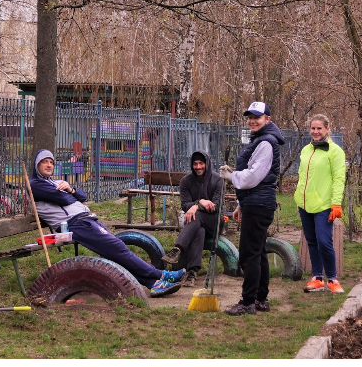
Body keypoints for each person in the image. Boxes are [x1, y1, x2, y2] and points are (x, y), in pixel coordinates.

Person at [29, 150, 184, 297]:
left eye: (51, 162)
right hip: (75, 224)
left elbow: (82, 196)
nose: (49, 165)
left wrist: (71, 189)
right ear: (37, 165)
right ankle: (161, 275)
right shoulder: (35, 185)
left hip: (87, 220)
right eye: (44, 162)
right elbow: (63, 199)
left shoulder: (55, 182)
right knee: (119, 249)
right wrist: (69, 192)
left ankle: (153, 284)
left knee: (115, 252)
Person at [219, 101, 285, 316]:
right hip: (254, 203)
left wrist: (231, 176)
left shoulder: (266, 142)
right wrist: (240, 204)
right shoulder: (260, 140)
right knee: (259, 253)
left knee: (249, 254)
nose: (252, 120)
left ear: (268, 119)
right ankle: (260, 299)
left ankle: (247, 301)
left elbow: (253, 177)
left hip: (259, 203)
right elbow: (254, 177)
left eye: (257, 117)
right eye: (250, 117)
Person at [294, 114, 347, 294]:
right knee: (311, 241)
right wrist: (298, 197)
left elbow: (339, 179)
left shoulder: (335, 151)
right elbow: (303, 176)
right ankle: (317, 278)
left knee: (324, 241)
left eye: (319, 128)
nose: (316, 132)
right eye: (313, 128)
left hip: (324, 205)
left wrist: (336, 204)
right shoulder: (306, 150)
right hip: (305, 203)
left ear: (327, 129)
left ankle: (332, 278)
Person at [162, 151, 225, 286]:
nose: (198, 167)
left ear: (206, 164)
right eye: (195, 164)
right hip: (196, 224)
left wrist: (196, 205)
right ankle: (192, 272)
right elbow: (185, 205)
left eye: (201, 163)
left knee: (196, 216)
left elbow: (216, 205)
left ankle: (177, 249)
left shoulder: (217, 180)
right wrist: (200, 203)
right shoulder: (186, 181)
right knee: (199, 230)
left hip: (214, 222)